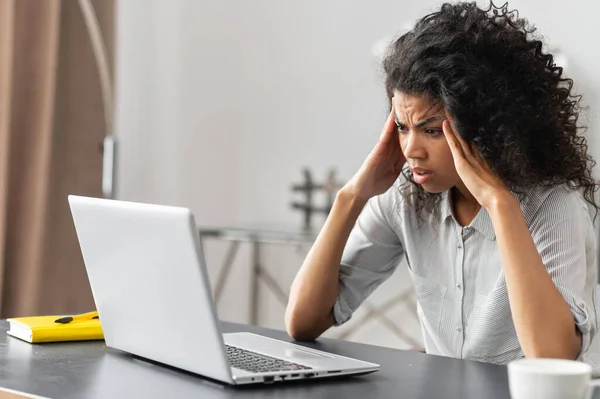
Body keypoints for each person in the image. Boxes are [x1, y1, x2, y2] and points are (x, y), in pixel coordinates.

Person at [285, 1, 600, 370]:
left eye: (431, 130)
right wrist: (351, 196)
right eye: (403, 128)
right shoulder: (406, 199)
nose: (411, 150)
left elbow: (553, 358)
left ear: (487, 129)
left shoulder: (554, 204)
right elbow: (303, 322)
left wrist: (501, 206)